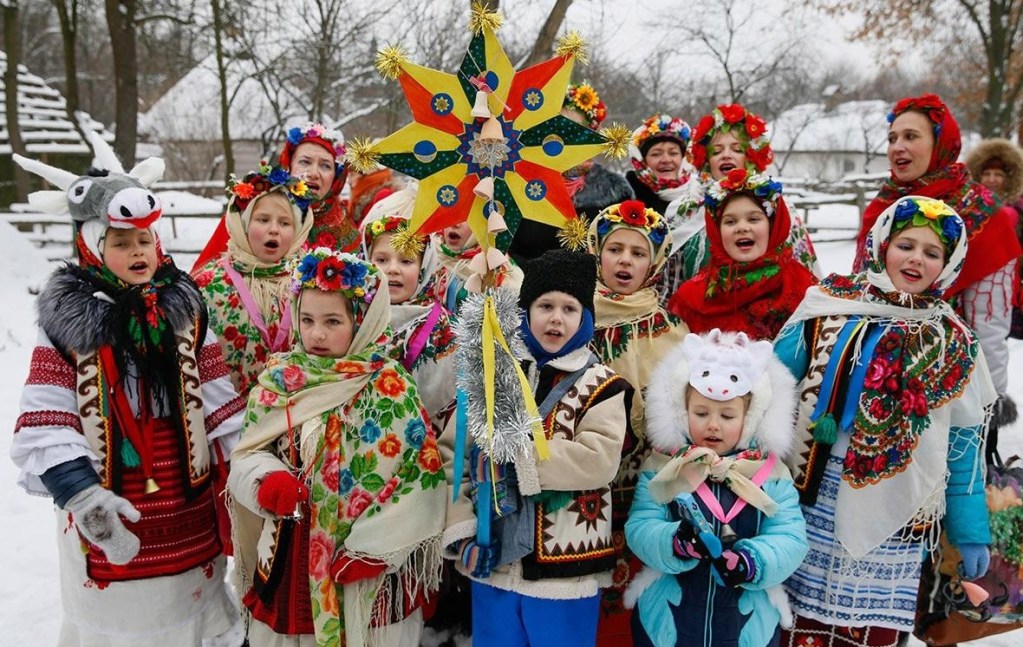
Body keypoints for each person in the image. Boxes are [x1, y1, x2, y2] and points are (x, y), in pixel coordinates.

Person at [10, 149, 244, 645]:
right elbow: (47, 419)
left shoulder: (185, 311)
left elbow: (221, 405)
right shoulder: (67, 324)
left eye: (144, 239)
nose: (138, 251)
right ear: (92, 246)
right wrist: (86, 501)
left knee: (190, 607)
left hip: (184, 500)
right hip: (110, 494)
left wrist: (247, 472)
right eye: (121, 242)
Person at [778, 196, 993, 646]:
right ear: (881, 246)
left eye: (932, 253)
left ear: (948, 266)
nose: (916, 259)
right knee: (797, 624)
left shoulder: (953, 343)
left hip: (896, 516)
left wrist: (970, 532)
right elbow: (769, 390)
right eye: (905, 245)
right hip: (809, 498)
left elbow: (963, 446)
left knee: (871, 633)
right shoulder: (829, 306)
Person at [228, 249, 446, 646]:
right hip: (290, 560)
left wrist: (375, 548)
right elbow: (247, 453)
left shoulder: (390, 389)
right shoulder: (281, 380)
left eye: (333, 321)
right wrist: (265, 480)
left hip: (364, 572)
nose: (316, 334)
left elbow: (419, 475)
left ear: (362, 321)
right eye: (307, 320)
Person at [443, 248, 632, 647]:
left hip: (565, 571)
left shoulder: (602, 385)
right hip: (494, 560)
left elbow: (598, 459)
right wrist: (462, 530)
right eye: (545, 305)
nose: (556, 318)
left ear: (586, 318)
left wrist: (517, 459)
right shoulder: (494, 375)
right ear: (526, 311)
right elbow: (453, 457)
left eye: (569, 308)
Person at [854, 94, 1021, 461]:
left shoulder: (982, 214)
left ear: (941, 144)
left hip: (948, 393)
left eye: (911, 136)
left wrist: (985, 409)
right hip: (871, 388)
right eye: (892, 138)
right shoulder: (884, 207)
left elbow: (989, 328)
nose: (897, 147)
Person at [626, 329, 807, 646]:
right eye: (700, 413)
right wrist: (674, 542)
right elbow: (641, 525)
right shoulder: (664, 467)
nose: (713, 424)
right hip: (667, 624)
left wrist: (752, 562)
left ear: (751, 418)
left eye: (727, 415)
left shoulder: (772, 474)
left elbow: (790, 537)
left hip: (746, 628)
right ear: (681, 411)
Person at [586, 200, 690, 643]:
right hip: (582, 489)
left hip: (644, 493)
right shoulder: (571, 318)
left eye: (638, 252)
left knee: (634, 605)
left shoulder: (673, 333)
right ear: (596, 253)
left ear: (655, 263)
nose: (625, 261)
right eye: (614, 249)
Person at [663, 103, 820, 301]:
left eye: (737, 149)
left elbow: (804, 275)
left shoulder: (778, 207)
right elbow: (668, 284)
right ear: (706, 161)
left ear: (751, 157)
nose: (726, 155)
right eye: (716, 151)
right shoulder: (684, 209)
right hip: (701, 310)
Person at [194, 164, 315, 395]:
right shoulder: (208, 284)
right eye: (263, 219)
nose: (274, 229)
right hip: (227, 409)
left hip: (297, 409)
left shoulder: (311, 282)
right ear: (243, 224)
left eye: (285, 223)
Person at [667, 169, 816, 339]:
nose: (742, 228)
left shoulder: (804, 290)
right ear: (717, 231)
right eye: (730, 221)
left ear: (773, 226)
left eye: (753, 219)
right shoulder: (690, 298)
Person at [192, 122, 353, 271]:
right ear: (288, 166)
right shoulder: (248, 211)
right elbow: (204, 276)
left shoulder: (345, 232)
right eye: (305, 162)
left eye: (325, 166)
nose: (314, 173)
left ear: (336, 177)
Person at [362, 189, 457, 435]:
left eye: (406, 261)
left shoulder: (439, 325)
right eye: (381, 260)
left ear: (424, 267)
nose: (392, 269)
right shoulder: (354, 313)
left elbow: (441, 398)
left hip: (419, 436)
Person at [509, 81, 633, 264]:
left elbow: (622, 250)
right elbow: (506, 247)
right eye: (556, 129)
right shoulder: (519, 182)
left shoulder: (614, 191)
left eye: (574, 131)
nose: (563, 140)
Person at [965, 137, 1023, 339]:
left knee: (993, 335)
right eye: (987, 173)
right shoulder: (967, 204)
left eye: (998, 174)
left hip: (1004, 280)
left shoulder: (1018, 207)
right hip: (971, 275)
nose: (992, 179)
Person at [430, 218, 523, 315]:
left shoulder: (501, 269)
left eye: (465, 218)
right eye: (452, 215)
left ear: (482, 224)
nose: (455, 224)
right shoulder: (428, 253)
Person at [625, 113, 693, 216]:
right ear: (642, 162)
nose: (666, 160)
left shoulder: (702, 195)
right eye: (656, 154)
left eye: (673, 153)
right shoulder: (625, 201)